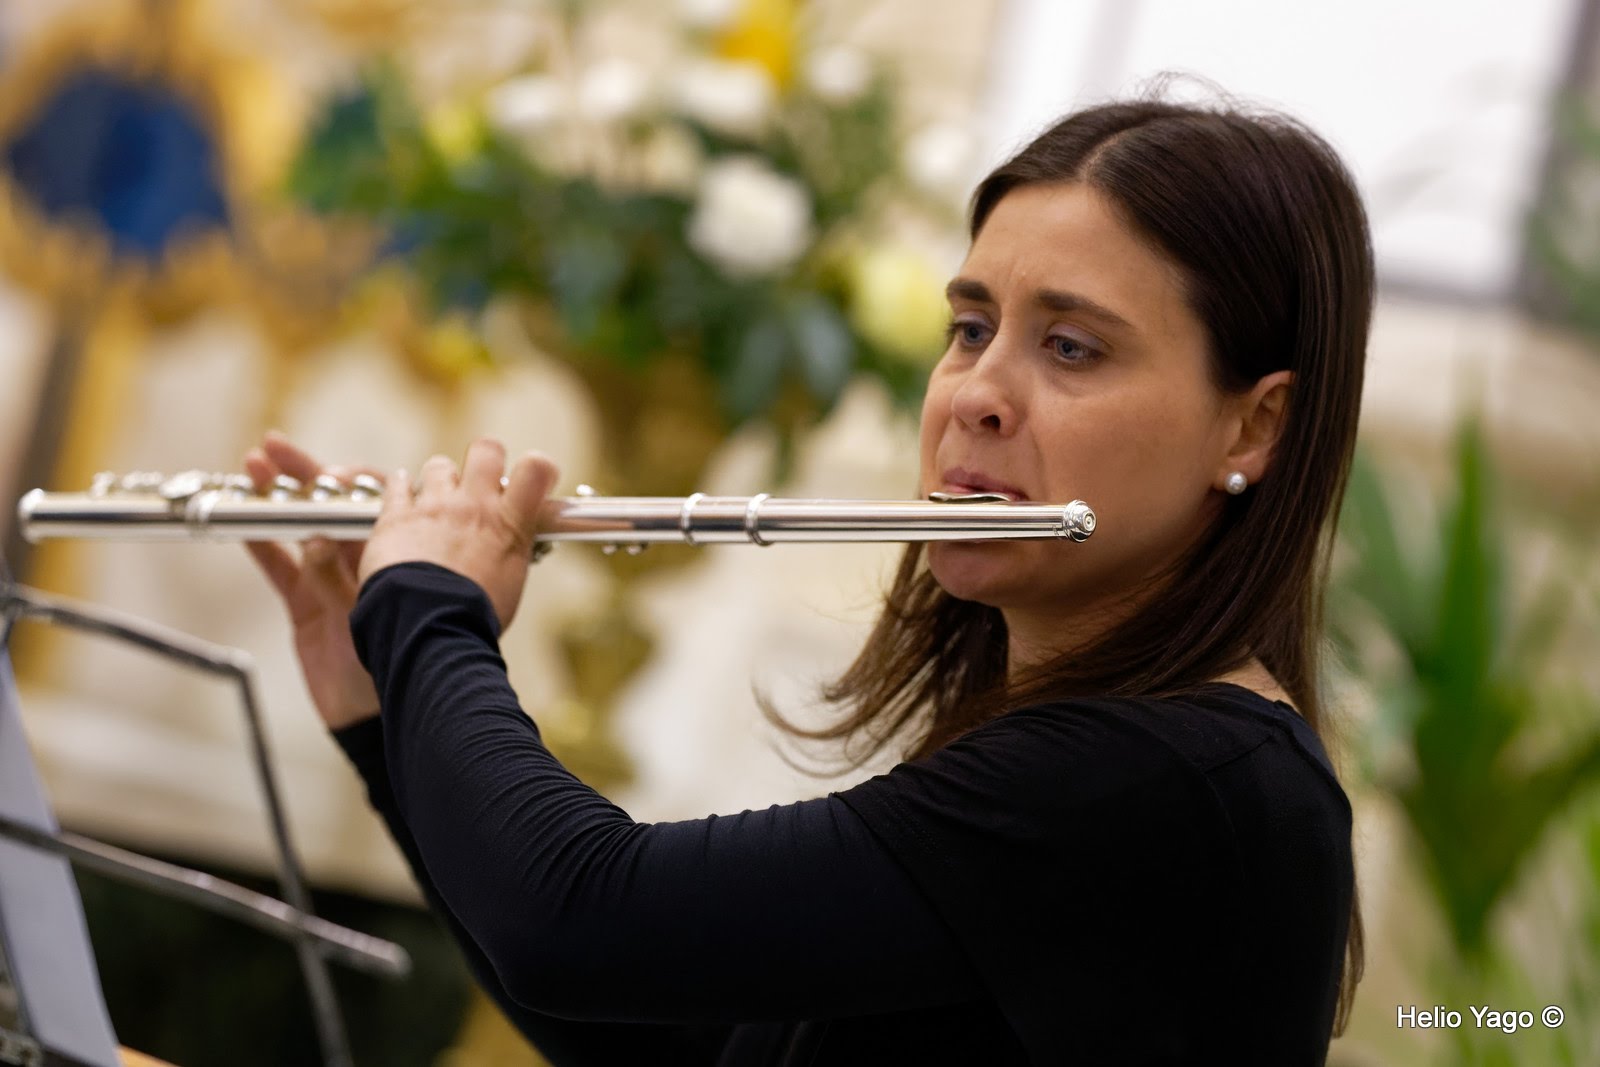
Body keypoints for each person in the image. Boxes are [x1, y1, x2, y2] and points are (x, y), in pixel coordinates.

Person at [244, 88, 1371, 1065]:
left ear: (1252, 426)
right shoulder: (1100, 749)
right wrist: (387, 713)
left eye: (1071, 347)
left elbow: (574, 916)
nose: (977, 392)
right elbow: (677, 1046)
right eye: (970, 326)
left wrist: (429, 613)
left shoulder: (1167, 777)